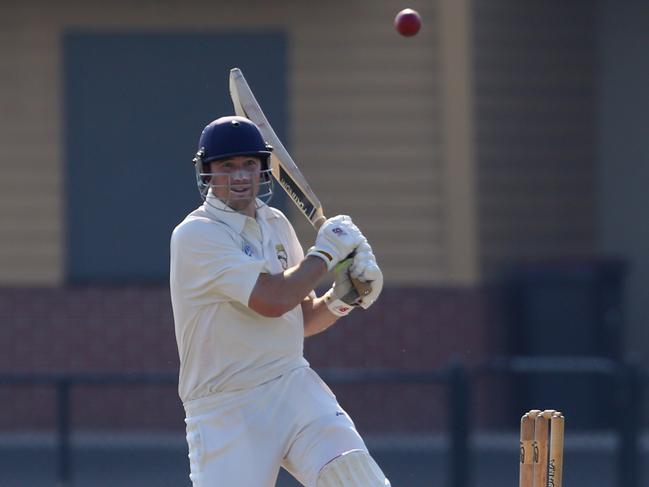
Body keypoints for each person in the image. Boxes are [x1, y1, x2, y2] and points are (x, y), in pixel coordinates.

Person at [170, 115, 389, 487]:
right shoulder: (197, 234)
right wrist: (325, 254)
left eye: (249, 165)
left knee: (357, 480)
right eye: (228, 166)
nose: (240, 176)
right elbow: (270, 301)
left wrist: (342, 298)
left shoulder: (275, 223)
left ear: (263, 169)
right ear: (207, 172)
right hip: (227, 407)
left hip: (292, 384)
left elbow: (297, 317)